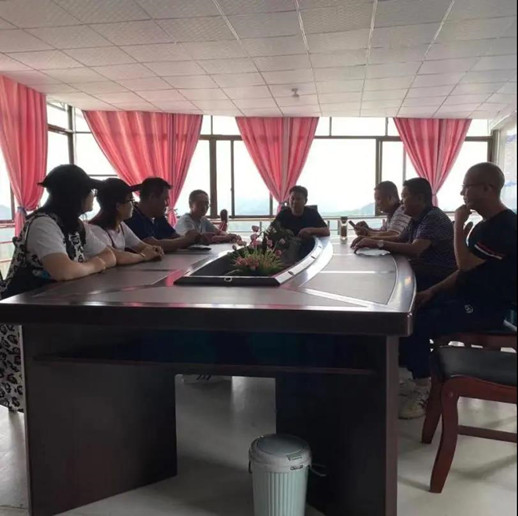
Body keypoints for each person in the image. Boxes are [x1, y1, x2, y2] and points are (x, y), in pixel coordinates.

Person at [398, 162, 516, 420]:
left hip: (486, 309)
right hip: (464, 298)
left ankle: (424, 388)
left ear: (487, 189)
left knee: (417, 324)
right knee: (409, 309)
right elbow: (464, 273)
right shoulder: (485, 225)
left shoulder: (506, 226)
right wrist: (433, 291)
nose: (462, 193)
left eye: (466, 187)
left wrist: (458, 227)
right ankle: (420, 373)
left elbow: (464, 263)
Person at [0, 165, 116, 412]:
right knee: (42, 386)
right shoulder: (43, 223)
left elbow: (109, 256)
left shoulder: (75, 225)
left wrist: (91, 264)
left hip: (59, 307)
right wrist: (94, 265)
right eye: (90, 191)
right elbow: (63, 270)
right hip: (26, 315)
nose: (93, 196)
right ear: (76, 194)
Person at [353, 178, 456, 291]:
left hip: (435, 278)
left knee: (382, 282)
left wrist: (378, 243)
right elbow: (399, 238)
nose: (401, 202)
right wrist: (369, 240)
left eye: (404, 196)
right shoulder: (416, 218)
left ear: (419, 198)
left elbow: (415, 249)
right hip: (421, 270)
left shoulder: (433, 217)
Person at [89, 178, 164, 265]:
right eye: (131, 200)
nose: (133, 205)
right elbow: (117, 257)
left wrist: (154, 249)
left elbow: (141, 246)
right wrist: (143, 256)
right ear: (118, 206)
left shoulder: (121, 225)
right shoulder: (95, 230)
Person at [125, 177, 200, 252]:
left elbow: (175, 238)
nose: (167, 204)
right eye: (165, 199)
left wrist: (197, 238)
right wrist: (186, 239)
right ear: (152, 197)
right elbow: (152, 245)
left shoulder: (158, 217)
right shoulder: (132, 216)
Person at [175, 190, 240, 244]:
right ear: (190, 205)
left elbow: (218, 232)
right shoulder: (186, 220)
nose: (204, 207)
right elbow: (197, 239)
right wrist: (226, 238)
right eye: (200, 204)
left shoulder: (203, 219)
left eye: (206, 203)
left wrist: (230, 236)